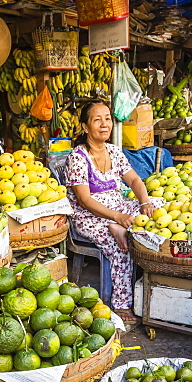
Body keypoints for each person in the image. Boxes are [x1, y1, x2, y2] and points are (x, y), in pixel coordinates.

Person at [65, 101, 162, 322]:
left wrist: (145, 202)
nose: (104, 124)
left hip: (117, 207)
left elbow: (135, 179)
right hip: (88, 217)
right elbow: (84, 199)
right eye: (97, 119)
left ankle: (150, 280)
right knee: (120, 246)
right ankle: (121, 304)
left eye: (107, 118)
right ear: (85, 127)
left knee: (158, 205)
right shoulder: (77, 158)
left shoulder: (114, 152)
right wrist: (116, 218)